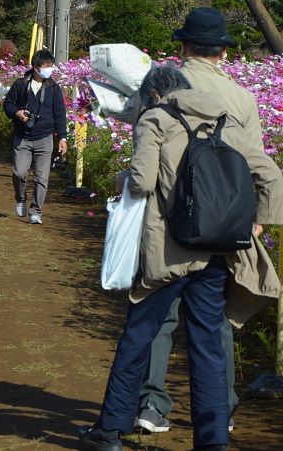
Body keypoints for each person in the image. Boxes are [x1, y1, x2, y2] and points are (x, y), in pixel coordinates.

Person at [77, 64, 283, 451]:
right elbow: (272, 177)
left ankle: (110, 432)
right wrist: (259, 224)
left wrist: (121, 179)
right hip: (217, 255)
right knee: (207, 349)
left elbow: (141, 182)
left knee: (139, 336)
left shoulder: (156, 119)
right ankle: (213, 442)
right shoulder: (226, 121)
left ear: (154, 95)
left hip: (167, 255)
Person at [136, 7, 266, 434]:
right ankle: (219, 411)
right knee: (215, 319)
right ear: (223, 53)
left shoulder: (165, 83)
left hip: (168, 217)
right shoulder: (242, 98)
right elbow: (255, 165)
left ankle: (152, 405)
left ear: (183, 46)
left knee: (159, 312)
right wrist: (258, 221)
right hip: (225, 221)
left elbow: (145, 148)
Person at [3, 49, 67, 225]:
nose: (50, 69)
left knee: (41, 178)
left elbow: (60, 114)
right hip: (22, 137)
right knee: (19, 172)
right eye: (47, 66)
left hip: (44, 138)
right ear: (36, 67)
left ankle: (36, 212)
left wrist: (62, 137)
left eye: (51, 66)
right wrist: (17, 113)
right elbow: (7, 104)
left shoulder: (54, 88)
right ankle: (20, 198)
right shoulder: (20, 85)